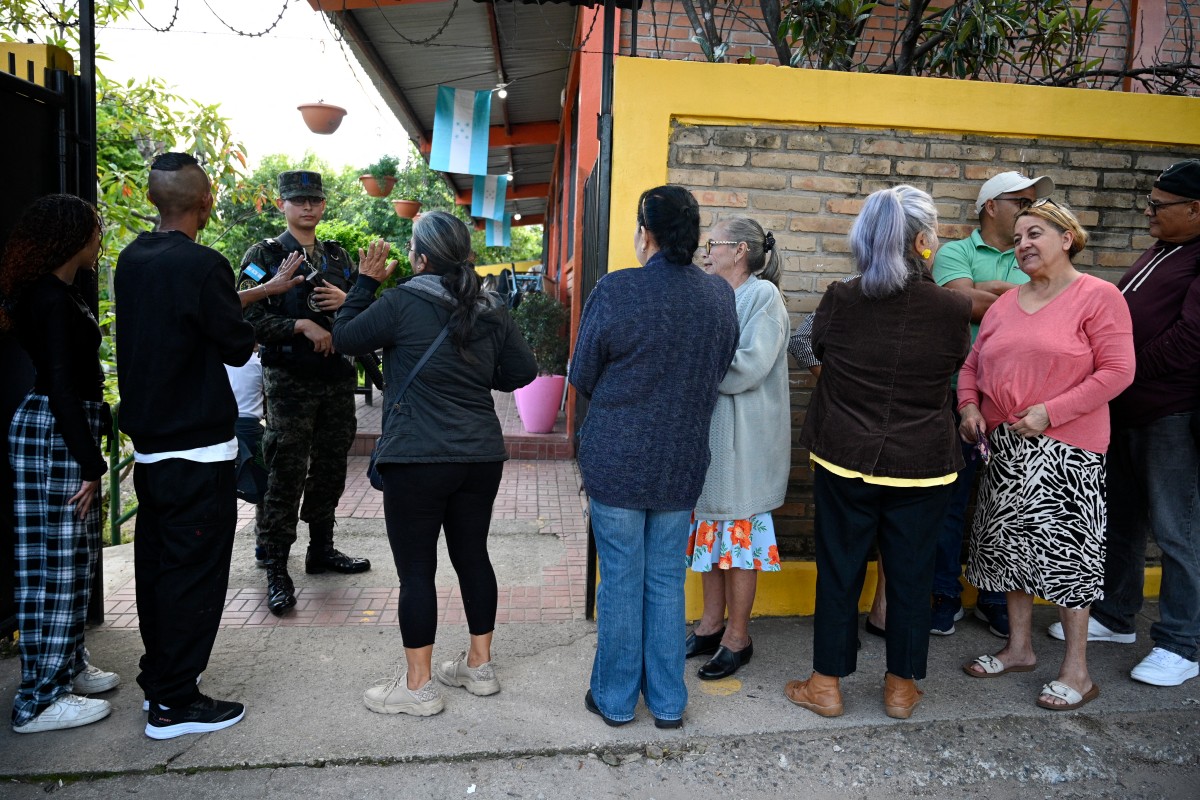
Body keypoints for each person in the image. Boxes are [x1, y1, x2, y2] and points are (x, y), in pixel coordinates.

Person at [332, 211, 538, 716]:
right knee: (473, 557)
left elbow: (342, 339)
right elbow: (522, 372)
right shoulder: (490, 306)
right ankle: (479, 666)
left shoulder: (401, 302)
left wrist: (363, 282)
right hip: (480, 456)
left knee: (417, 573)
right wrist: (472, 373)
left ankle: (419, 687)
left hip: (416, 458)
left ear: (420, 258)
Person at [785, 185, 969, 721]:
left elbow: (814, 350)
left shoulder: (842, 297)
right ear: (922, 240)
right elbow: (950, 364)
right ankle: (900, 689)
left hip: (845, 456)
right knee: (912, 576)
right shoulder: (952, 308)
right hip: (924, 465)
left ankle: (826, 684)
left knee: (839, 569)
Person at [571, 185, 739, 729]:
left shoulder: (617, 290)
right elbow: (718, 367)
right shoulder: (718, 296)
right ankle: (668, 702)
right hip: (681, 460)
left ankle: (616, 700)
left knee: (621, 579)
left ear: (646, 233)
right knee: (666, 579)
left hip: (618, 459)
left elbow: (583, 374)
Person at [959, 199, 1134, 711]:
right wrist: (969, 407)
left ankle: (1078, 673)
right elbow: (972, 364)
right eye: (1017, 238)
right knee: (1012, 551)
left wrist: (1050, 412)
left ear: (1067, 238)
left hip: (1068, 449)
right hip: (1008, 446)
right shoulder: (1007, 302)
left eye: (1035, 233)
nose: (1023, 244)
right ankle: (1019, 648)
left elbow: (1119, 371)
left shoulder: (1098, 297)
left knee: (1068, 558)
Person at [115, 151, 257, 738]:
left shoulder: (130, 260)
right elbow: (236, 346)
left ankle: (160, 684)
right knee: (195, 576)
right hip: (199, 452)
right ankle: (175, 702)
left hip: (150, 452)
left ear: (152, 200)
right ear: (205, 202)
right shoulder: (203, 265)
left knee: (158, 570)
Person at [1056, 159, 1200, 687]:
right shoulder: (1165, 249)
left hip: (1170, 413)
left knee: (1176, 529)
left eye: (1159, 206)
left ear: (1195, 209)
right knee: (1122, 518)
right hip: (1126, 409)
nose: (1148, 212)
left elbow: (1190, 340)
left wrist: (1123, 370)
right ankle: (1116, 615)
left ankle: (1183, 643)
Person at [1, 195, 116, 733]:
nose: (100, 238)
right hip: (55, 430)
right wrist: (91, 465)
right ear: (70, 235)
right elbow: (62, 386)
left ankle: (66, 669)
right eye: (95, 229)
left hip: (65, 427)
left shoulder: (64, 291)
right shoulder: (47, 298)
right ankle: (39, 699)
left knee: (76, 560)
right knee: (53, 565)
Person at [238, 170, 371, 617]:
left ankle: (322, 549)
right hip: (290, 381)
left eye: (315, 199)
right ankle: (276, 563)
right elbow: (243, 318)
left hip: (335, 379)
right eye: (298, 201)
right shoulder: (264, 255)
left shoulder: (337, 255)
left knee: (332, 466)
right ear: (282, 205)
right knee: (285, 471)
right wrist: (300, 324)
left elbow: (362, 311)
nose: (308, 207)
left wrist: (346, 300)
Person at [929, 170, 1054, 638]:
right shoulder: (956, 252)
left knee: (1008, 504)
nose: (1028, 209)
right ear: (990, 206)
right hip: (957, 392)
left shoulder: (1033, 252)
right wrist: (1018, 293)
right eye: (1020, 202)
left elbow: (1050, 303)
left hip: (1021, 401)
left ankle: (996, 596)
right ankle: (944, 593)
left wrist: (992, 291)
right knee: (950, 499)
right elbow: (963, 305)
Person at [685, 217, 790, 680]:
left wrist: (690, 368)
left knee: (738, 544)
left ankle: (737, 637)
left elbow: (749, 366)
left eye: (715, 243)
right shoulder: (712, 294)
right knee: (711, 538)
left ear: (741, 250)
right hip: (711, 442)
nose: (706, 251)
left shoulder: (762, 296)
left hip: (743, 443)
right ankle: (710, 626)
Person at [789, 277, 887, 641]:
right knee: (846, 534)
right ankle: (841, 626)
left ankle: (882, 612)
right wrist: (841, 383)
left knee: (892, 533)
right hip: (846, 434)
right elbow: (800, 341)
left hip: (901, 434)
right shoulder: (849, 289)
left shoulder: (929, 296)